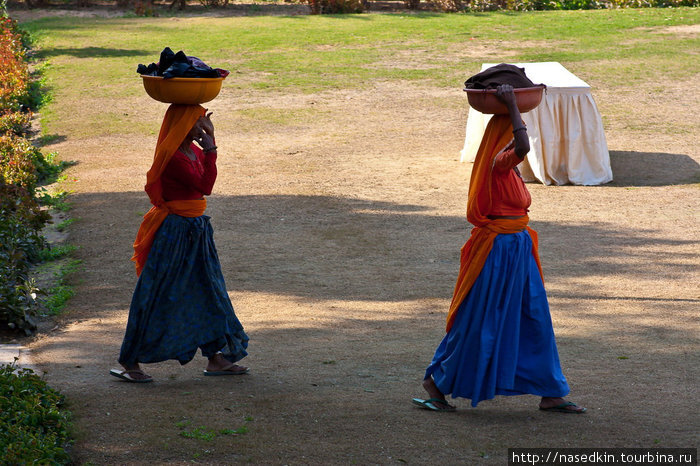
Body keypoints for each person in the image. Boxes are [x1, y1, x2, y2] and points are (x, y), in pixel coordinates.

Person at [412, 84, 585, 413]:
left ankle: (551, 391)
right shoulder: (500, 162)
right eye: (514, 131)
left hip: (517, 249)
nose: (521, 135)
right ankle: (436, 381)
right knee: (480, 319)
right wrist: (512, 105)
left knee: (534, 316)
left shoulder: (511, 169)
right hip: (498, 253)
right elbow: (521, 144)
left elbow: (521, 144)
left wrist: (512, 109)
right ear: (503, 137)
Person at [110, 104, 249, 383]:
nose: (202, 128)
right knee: (158, 293)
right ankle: (129, 361)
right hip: (174, 234)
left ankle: (216, 358)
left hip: (196, 231)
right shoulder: (172, 156)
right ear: (181, 126)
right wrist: (212, 149)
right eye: (197, 122)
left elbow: (202, 186)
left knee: (209, 290)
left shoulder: (192, 151)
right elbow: (204, 186)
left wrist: (208, 142)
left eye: (202, 122)